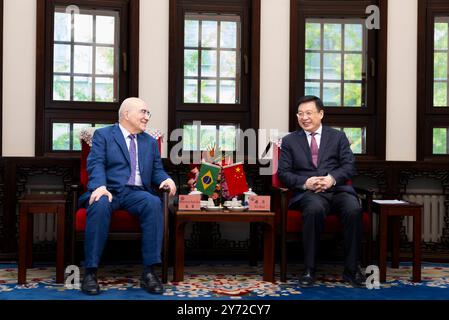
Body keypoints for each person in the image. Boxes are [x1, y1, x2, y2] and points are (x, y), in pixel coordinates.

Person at [78, 97, 177, 295]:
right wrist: (99, 186)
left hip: (137, 193)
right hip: (110, 190)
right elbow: (95, 163)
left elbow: (157, 170)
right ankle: (90, 272)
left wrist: (166, 179)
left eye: (147, 113)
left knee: (153, 203)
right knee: (99, 203)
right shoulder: (104, 135)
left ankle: (149, 272)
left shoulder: (149, 141)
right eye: (143, 112)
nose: (146, 117)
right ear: (126, 114)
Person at [278, 95, 366, 288]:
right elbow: (283, 174)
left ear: (321, 114)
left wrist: (331, 179)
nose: (304, 117)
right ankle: (309, 270)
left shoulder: (337, 137)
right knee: (314, 209)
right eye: (300, 114)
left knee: (353, 209)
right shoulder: (289, 141)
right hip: (309, 194)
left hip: (338, 190)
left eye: (309, 113)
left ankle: (351, 271)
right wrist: (305, 182)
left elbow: (349, 166)